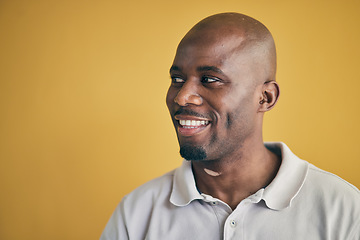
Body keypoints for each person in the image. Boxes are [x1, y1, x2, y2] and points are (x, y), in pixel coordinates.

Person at [100, 12, 360, 239]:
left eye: (210, 79)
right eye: (177, 78)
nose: (181, 97)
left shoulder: (343, 210)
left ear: (265, 98)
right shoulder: (136, 214)